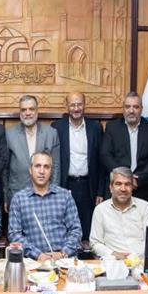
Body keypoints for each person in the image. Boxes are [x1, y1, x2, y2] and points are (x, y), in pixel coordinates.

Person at [8, 151, 81, 262]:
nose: (42, 171)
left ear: (51, 171)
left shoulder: (65, 196)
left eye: (46, 167)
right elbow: (14, 235)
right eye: (37, 166)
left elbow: (76, 230)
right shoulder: (19, 199)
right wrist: (38, 255)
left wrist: (63, 253)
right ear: (30, 170)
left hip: (63, 260)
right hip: (33, 262)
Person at [51, 92, 105, 240]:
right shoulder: (57, 127)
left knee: (87, 229)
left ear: (84, 105)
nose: (76, 108)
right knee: (65, 226)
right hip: (65, 185)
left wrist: (100, 192)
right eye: (73, 105)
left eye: (79, 104)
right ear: (66, 106)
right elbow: (53, 161)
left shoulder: (95, 128)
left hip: (89, 186)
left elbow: (101, 162)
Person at [99, 91, 148, 205]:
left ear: (141, 109)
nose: (131, 110)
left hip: (143, 187)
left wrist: (138, 180)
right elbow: (105, 155)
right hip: (118, 187)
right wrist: (123, 177)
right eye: (128, 107)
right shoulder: (112, 127)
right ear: (123, 108)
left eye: (135, 107)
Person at [4, 95, 60, 211]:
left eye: (31, 109)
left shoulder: (51, 133)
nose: (27, 113)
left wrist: (55, 195)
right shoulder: (9, 134)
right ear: (20, 112)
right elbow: (5, 169)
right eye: (24, 110)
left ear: (37, 111)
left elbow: (56, 167)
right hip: (17, 194)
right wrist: (6, 197)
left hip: (45, 195)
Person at [89, 167, 148, 260]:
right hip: (113, 262)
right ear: (111, 187)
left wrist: (136, 257)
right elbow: (95, 243)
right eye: (118, 184)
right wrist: (113, 254)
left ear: (132, 187)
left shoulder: (145, 207)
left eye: (127, 184)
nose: (123, 189)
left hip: (141, 263)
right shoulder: (100, 210)